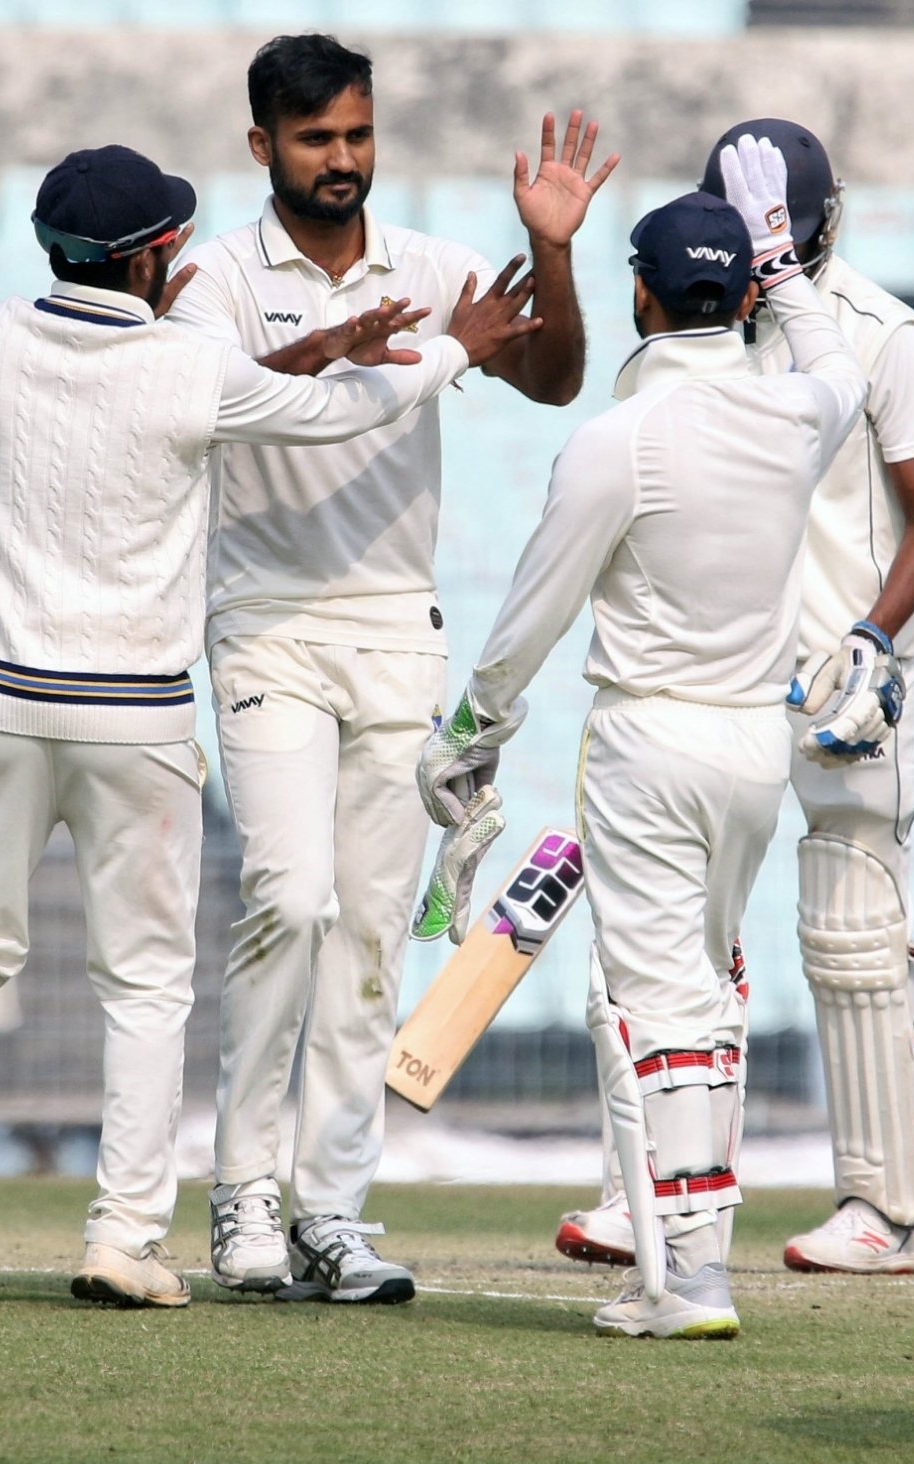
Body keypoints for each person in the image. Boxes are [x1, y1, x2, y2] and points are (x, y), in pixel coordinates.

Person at [0, 144, 537, 1308]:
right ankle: (122, 1238)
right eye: (171, 246)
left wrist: (306, 344)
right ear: (150, 259)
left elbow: (256, 384)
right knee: (142, 987)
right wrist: (453, 348)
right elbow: (325, 411)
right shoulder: (191, 367)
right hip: (133, 716)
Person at [162, 33, 614, 1303]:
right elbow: (225, 399)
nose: (343, 161)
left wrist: (560, 251)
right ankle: (244, 1196)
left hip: (393, 633)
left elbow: (555, 378)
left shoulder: (433, 264)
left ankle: (330, 1213)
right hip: (265, 624)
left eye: (358, 135)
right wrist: (347, 349)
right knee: (288, 899)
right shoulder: (212, 280)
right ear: (262, 147)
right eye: (316, 141)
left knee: (368, 933)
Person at [418, 144, 866, 1338]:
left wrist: (475, 725)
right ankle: (678, 1264)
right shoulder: (794, 416)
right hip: (751, 756)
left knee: (649, 1004)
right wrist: (782, 257)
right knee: (703, 997)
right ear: (745, 294)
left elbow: (536, 601)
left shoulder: (623, 436)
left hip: (649, 745)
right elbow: (835, 364)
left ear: (641, 296)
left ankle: (687, 1279)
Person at [554, 118, 914, 1277]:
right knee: (671, 946)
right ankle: (655, 1198)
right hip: (720, 679)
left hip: (842, 674)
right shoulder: (698, 328)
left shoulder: (883, 333)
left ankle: (881, 1209)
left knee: (849, 931)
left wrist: (875, 641)